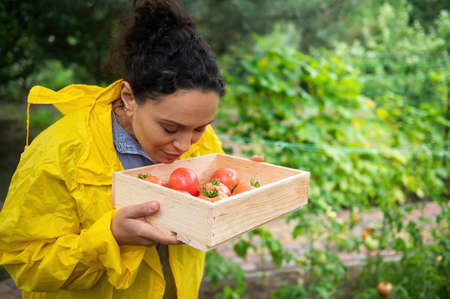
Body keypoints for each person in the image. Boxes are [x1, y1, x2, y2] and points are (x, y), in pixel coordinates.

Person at [0, 1, 263, 298]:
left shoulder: (199, 140)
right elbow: (24, 264)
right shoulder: (59, 153)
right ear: (129, 97)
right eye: (169, 128)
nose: (185, 145)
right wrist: (110, 236)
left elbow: (203, 219)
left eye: (200, 128)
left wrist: (236, 195)